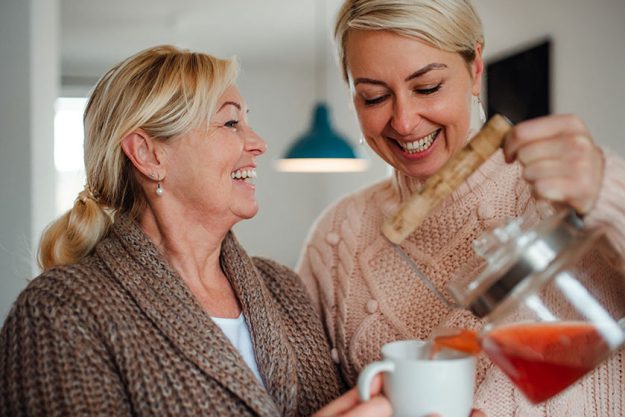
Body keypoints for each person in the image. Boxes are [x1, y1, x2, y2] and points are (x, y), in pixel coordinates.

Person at [0, 45, 394, 417]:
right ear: (149, 154)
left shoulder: (282, 288)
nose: (258, 143)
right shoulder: (60, 312)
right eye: (230, 122)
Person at [296, 1, 625, 416]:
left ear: (475, 69)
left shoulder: (569, 192)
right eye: (374, 97)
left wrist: (610, 192)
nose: (404, 121)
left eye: (428, 87)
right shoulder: (337, 236)